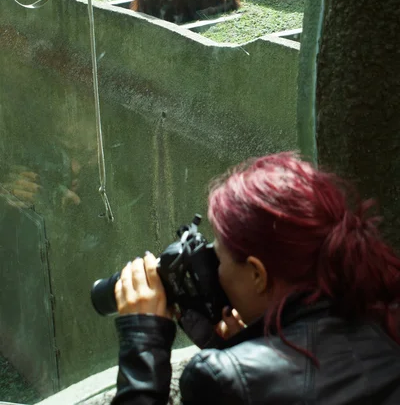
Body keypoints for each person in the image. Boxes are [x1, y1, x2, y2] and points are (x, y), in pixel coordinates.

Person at [111, 152, 400, 404]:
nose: (215, 272)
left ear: (258, 274)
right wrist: (246, 345)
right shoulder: (386, 320)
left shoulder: (223, 379)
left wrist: (142, 341)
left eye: (219, 260)